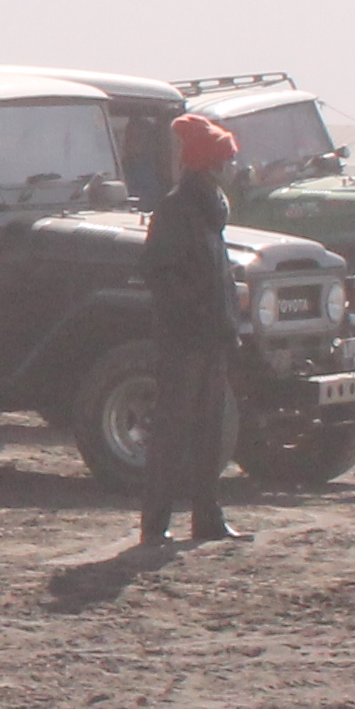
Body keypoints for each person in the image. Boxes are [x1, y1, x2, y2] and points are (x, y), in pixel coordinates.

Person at [141, 110, 249, 551]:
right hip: (185, 339)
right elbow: (160, 274)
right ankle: (156, 525)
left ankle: (207, 518)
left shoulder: (206, 209)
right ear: (210, 163)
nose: (233, 166)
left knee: (210, 432)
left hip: (210, 336)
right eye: (227, 158)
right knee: (172, 432)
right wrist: (196, 315)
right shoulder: (178, 209)